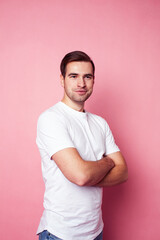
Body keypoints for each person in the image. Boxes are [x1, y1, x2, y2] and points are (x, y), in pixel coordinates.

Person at [36, 51, 128, 240]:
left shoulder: (100, 123)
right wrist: (108, 163)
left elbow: (123, 172)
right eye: (73, 76)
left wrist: (86, 175)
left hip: (95, 231)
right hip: (60, 233)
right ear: (62, 80)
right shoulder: (51, 119)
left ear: (94, 80)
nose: (81, 83)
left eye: (87, 76)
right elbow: (81, 176)